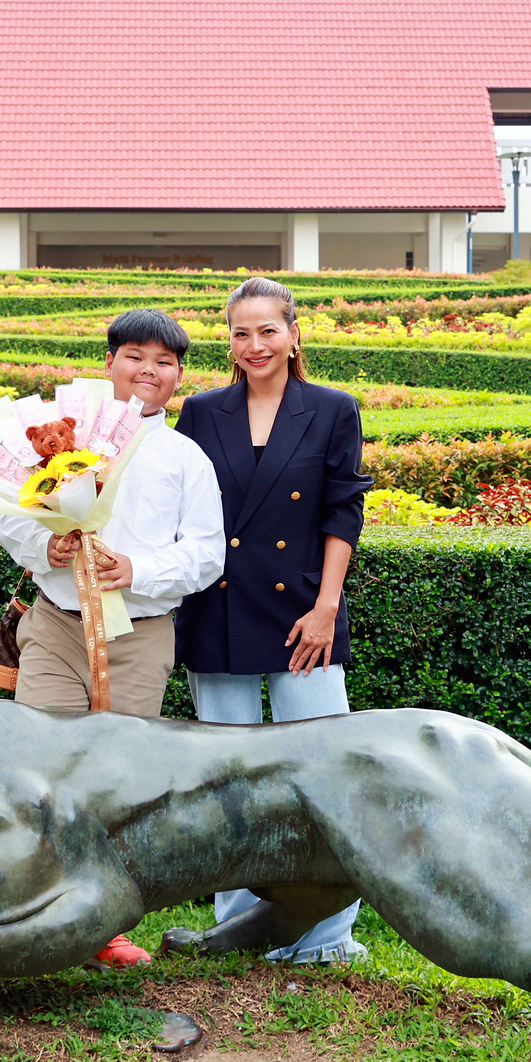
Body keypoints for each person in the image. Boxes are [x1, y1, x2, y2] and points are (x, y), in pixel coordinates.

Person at [0, 308, 225, 967]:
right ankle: (26, 911)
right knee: (38, 767)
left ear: (178, 376)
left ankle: (100, 926)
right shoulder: (57, 440)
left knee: (115, 782)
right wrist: (48, 543)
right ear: (109, 362)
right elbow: (10, 524)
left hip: (139, 635)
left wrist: (137, 570)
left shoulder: (185, 457)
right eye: (135, 357)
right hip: (58, 626)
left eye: (164, 362)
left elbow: (208, 554)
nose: (149, 371)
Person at [170, 276, 375, 964]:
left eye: (266, 330)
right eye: (240, 332)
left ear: (294, 334)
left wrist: (327, 607)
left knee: (321, 773)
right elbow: (180, 504)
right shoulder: (201, 412)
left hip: (303, 613)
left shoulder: (332, 409)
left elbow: (342, 512)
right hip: (217, 608)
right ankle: (234, 931)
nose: (253, 345)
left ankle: (324, 936)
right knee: (227, 780)